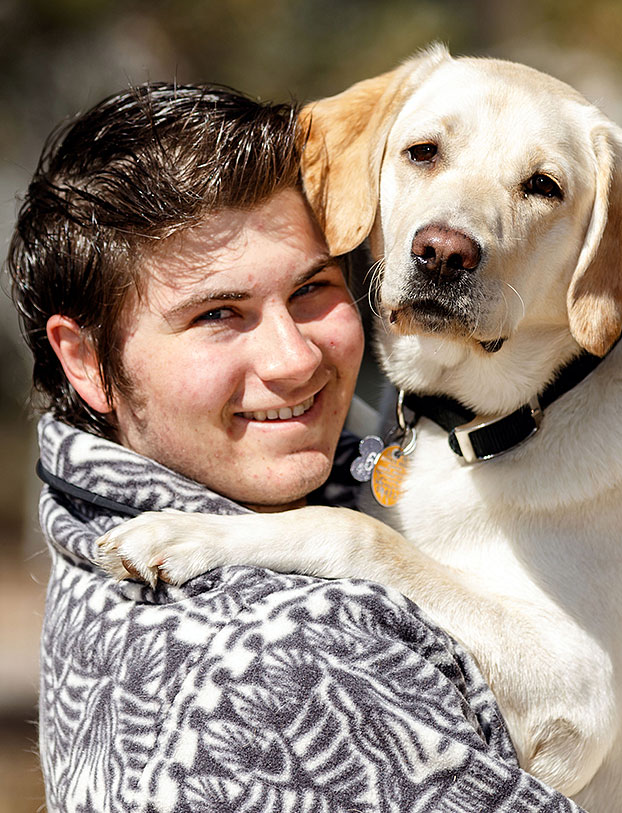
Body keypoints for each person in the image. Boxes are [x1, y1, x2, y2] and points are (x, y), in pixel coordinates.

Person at [7, 82, 583, 812]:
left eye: (314, 288)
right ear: (85, 359)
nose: (295, 359)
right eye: (219, 313)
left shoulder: (98, 545)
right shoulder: (285, 670)